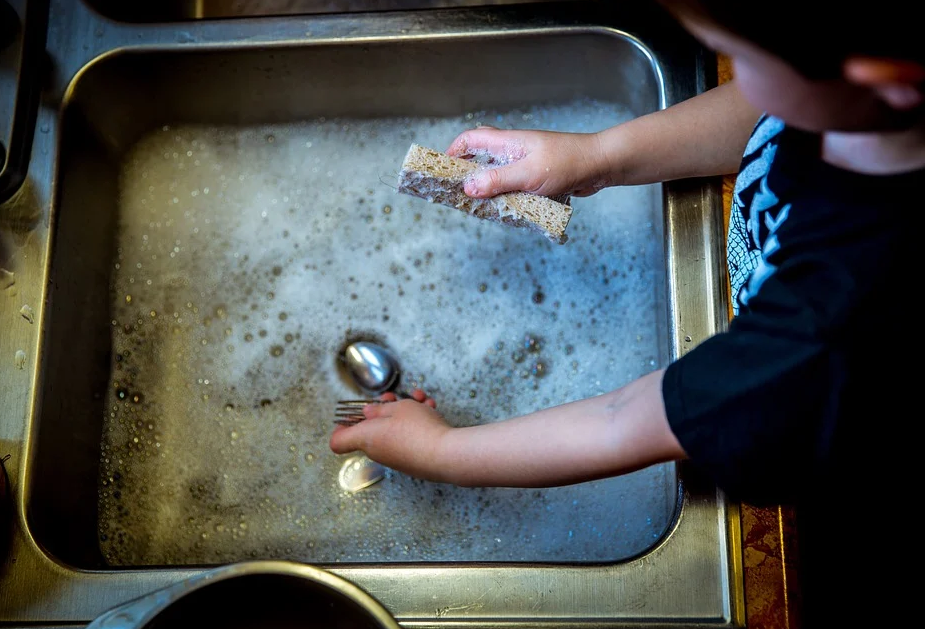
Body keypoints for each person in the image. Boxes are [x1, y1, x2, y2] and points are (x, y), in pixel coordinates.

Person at [331, 1, 923, 624]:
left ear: (883, 76)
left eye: (744, 60)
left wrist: (444, 453)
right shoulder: (860, 111)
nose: (736, 79)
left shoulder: (831, 333)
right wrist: (597, 157)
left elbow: (625, 420)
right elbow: (763, 115)